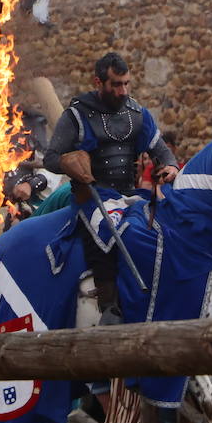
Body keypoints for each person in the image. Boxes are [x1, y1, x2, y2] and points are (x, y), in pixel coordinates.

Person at [44, 52, 179, 325]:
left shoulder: (137, 114)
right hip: (93, 195)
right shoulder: (78, 115)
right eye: (116, 85)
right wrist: (68, 162)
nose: (123, 91)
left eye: (127, 84)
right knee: (106, 228)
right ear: (99, 82)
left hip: (130, 194)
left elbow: (162, 153)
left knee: (166, 223)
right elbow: (51, 157)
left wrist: (170, 167)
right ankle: (109, 307)